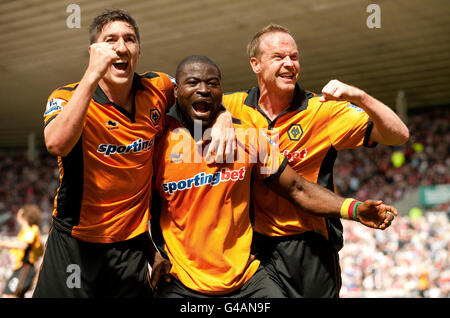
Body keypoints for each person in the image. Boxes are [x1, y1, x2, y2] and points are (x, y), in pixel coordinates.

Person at [150, 55, 397, 298]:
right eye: (193, 83)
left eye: (212, 84)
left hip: (246, 280)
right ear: (176, 91)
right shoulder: (157, 147)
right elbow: (135, 205)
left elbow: (297, 189)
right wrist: (152, 253)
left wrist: (355, 210)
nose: (203, 90)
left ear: (221, 91)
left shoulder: (248, 138)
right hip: (181, 281)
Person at [33, 9, 233, 298]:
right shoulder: (66, 97)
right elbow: (57, 144)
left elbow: (201, 94)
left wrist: (223, 115)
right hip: (76, 242)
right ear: (94, 50)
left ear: (138, 50)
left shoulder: (159, 88)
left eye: (129, 39)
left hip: (131, 245)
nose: (121, 47)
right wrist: (92, 74)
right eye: (111, 40)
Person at [222, 24, 410, 298]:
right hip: (255, 246)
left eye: (294, 57)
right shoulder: (233, 107)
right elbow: (182, 101)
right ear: (256, 64)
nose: (289, 64)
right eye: (278, 57)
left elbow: (399, 135)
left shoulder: (321, 111)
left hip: (311, 245)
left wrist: (359, 96)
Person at [0, 204, 43, 298]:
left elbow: (23, 245)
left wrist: (3, 243)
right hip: (22, 269)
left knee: (8, 295)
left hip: (25, 268)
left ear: (24, 216)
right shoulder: (25, 232)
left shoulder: (31, 229)